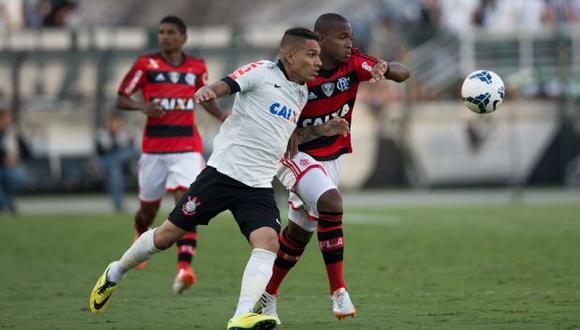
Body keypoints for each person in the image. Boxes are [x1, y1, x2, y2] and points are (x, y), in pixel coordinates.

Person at [90, 27, 343, 330]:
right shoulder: (262, 71)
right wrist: (210, 91)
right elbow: (228, 84)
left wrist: (320, 130)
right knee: (167, 236)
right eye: (311, 54)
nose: (318, 61)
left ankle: (242, 314)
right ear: (289, 56)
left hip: (258, 184)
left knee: (268, 243)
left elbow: (289, 136)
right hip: (222, 175)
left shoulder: (301, 92)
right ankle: (115, 271)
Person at [255, 13, 411, 324]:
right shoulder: (292, 73)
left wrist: (387, 68)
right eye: (342, 37)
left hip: (331, 159)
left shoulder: (352, 61)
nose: (349, 43)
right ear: (320, 40)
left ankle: (267, 294)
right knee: (331, 203)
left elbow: (404, 73)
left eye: (350, 36)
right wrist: (320, 129)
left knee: (300, 233)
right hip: (293, 154)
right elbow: (280, 130)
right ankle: (338, 290)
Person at [115, 15, 227, 294]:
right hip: (154, 150)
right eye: (161, 32)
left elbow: (205, 100)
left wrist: (223, 116)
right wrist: (141, 106)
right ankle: (141, 236)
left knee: (186, 204)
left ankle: (184, 269)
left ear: (183, 37)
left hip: (187, 149)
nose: (164, 36)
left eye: (170, 32)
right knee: (147, 211)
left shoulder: (196, 67)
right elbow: (121, 97)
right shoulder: (145, 65)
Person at [94, 112, 136, 212]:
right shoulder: (102, 133)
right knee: (115, 169)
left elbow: (132, 149)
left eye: (119, 123)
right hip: (105, 163)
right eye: (114, 123)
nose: (117, 125)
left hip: (122, 164)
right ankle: (119, 203)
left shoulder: (123, 133)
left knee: (116, 166)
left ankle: (118, 203)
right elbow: (101, 151)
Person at [0, 108, 26, 215]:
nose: (8, 120)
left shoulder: (13, 133)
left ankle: (5, 201)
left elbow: (25, 150)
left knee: (18, 175)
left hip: (10, 167)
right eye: (5, 118)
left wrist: (18, 160)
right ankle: (6, 202)